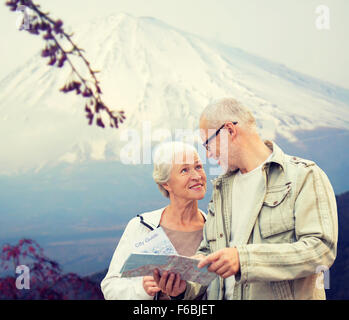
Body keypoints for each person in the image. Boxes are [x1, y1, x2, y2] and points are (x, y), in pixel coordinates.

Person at [154, 97, 338, 300]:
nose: (208, 155)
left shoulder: (303, 176)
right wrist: (183, 287)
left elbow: (321, 249)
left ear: (229, 131)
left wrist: (244, 259)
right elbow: (208, 254)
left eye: (208, 144)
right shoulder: (221, 189)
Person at [101, 141, 207, 300]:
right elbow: (110, 287)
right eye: (184, 170)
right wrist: (143, 290)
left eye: (198, 167)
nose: (197, 176)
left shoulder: (215, 229)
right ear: (166, 184)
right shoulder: (141, 226)